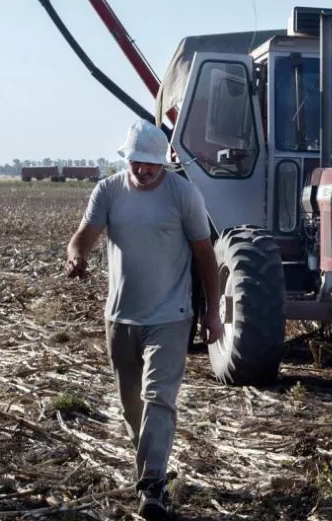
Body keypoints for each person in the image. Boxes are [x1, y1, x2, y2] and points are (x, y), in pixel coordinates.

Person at [65, 119, 222, 520]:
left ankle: (153, 484)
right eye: (137, 162)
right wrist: (76, 256)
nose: (144, 170)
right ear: (128, 158)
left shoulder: (183, 195)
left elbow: (206, 256)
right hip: (120, 317)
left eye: (152, 163)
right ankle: (148, 472)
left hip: (171, 317)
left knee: (158, 397)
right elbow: (83, 235)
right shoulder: (109, 191)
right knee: (131, 406)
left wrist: (213, 312)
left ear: (164, 163)